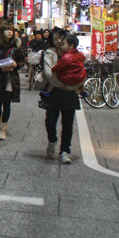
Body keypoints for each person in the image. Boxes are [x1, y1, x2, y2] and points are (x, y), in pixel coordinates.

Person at [41, 29, 82, 164]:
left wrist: (70, 87)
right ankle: (52, 140)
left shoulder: (74, 54)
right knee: (50, 122)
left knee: (68, 124)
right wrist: (63, 85)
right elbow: (49, 74)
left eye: (61, 38)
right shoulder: (49, 53)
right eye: (56, 38)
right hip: (54, 92)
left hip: (70, 93)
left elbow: (81, 73)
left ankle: (65, 151)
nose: (59, 40)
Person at [0, 24, 25, 140]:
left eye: (11, 30)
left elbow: (21, 60)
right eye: (7, 30)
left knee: (6, 102)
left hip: (10, 78)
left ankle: (3, 128)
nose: (9, 32)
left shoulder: (16, 47)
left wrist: (16, 65)